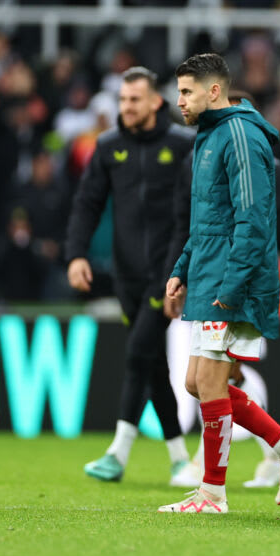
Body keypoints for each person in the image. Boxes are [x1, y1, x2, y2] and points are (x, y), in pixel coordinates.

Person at [157, 53, 280, 515]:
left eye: (186, 91)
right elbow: (208, 220)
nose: (179, 101)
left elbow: (253, 219)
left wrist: (234, 283)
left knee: (208, 384)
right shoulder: (208, 138)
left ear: (213, 91)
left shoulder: (242, 136)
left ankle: (212, 494)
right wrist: (182, 267)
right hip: (209, 273)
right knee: (196, 382)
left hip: (230, 280)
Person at [65, 66, 199, 487]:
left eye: (134, 100)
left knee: (139, 351)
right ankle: (179, 457)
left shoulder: (181, 145)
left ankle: (118, 451)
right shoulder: (108, 147)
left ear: (156, 102)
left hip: (164, 275)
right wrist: (76, 255)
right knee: (152, 361)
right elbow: (87, 204)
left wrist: (179, 273)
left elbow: (189, 216)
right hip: (125, 276)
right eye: (123, 100)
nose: (127, 107)